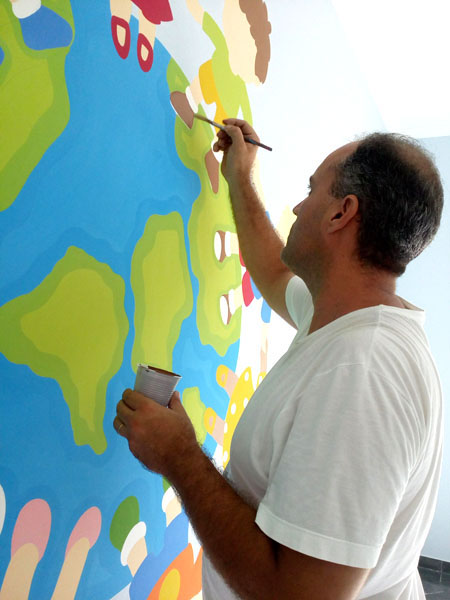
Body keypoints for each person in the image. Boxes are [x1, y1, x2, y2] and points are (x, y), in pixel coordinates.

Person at [114, 119, 444, 599]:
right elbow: (271, 270)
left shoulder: (364, 372)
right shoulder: (339, 314)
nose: (298, 205)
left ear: (341, 214)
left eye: (312, 190)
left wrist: (179, 457)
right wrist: (240, 176)